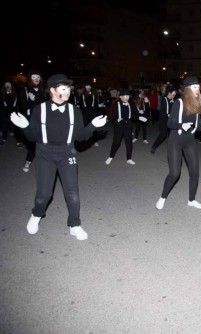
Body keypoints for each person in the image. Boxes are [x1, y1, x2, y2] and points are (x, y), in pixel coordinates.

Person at [9, 74, 107, 240]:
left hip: (67, 153)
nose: (68, 91)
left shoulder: (74, 110)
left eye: (69, 88)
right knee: (44, 194)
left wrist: (92, 127)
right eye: (63, 88)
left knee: (73, 194)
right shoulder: (40, 109)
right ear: (53, 90)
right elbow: (33, 137)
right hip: (44, 154)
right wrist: (25, 127)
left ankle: (75, 225)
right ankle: (36, 214)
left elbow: (80, 136)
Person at [156, 76, 201, 210]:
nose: (197, 89)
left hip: (189, 141)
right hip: (175, 141)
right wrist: (182, 125)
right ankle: (163, 197)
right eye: (194, 87)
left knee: (195, 172)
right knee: (175, 173)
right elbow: (170, 123)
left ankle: (191, 200)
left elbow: (197, 126)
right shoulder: (179, 103)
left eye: (198, 87)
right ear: (187, 89)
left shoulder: (197, 104)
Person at [105, 90, 147, 165]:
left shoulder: (131, 103)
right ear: (120, 97)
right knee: (116, 142)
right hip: (119, 126)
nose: (127, 98)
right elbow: (112, 115)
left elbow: (134, 113)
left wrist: (139, 117)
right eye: (125, 96)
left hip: (128, 125)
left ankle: (129, 158)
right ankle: (111, 156)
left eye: (128, 96)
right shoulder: (116, 104)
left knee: (129, 143)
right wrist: (116, 119)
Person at [17, 70, 45, 172]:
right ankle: (28, 161)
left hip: (42, 119)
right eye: (34, 77)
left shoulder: (43, 90)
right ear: (30, 78)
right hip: (31, 120)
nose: (36, 79)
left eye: (38, 77)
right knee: (32, 142)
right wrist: (29, 101)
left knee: (44, 141)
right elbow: (22, 106)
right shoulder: (25, 89)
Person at [151, 86, 176, 154]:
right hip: (164, 121)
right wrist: (169, 114)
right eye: (173, 95)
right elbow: (163, 112)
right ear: (169, 93)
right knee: (163, 135)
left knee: (173, 136)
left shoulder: (173, 100)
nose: (174, 96)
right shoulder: (164, 100)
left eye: (174, 95)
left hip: (171, 121)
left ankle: (173, 150)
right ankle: (154, 146)